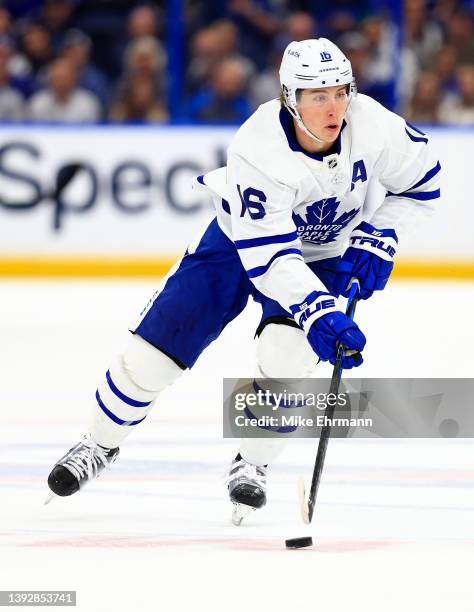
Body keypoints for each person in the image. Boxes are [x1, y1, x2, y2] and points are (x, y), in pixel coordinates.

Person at [46, 38, 440, 523]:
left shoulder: (375, 125)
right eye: (318, 96)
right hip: (238, 246)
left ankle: (252, 463)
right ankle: (97, 445)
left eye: (340, 92)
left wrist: (379, 233)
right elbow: (271, 257)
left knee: (285, 358)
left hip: (325, 253)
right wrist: (320, 311)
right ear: (289, 98)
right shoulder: (258, 148)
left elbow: (423, 186)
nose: (333, 107)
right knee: (149, 357)